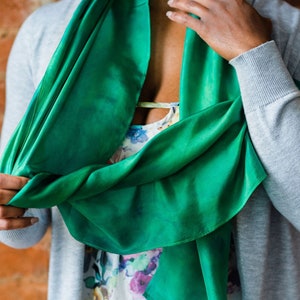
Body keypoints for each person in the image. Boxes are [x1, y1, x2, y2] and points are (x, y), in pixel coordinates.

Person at [0, 0, 300, 299]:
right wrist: (7, 210)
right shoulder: (47, 32)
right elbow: (24, 229)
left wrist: (255, 56)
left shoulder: (287, 30)